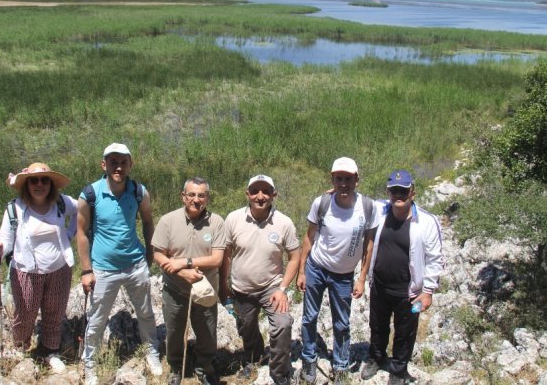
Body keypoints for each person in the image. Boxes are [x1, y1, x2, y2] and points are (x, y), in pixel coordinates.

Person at [76, 143, 161, 385]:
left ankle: (152, 353)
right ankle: (90, 363)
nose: (119, 167)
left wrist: (149, 253)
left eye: (123, 162)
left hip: (135, 264)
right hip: (103, 268)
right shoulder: (89, 195)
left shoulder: (138, 192)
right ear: (104, 165)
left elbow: (147, 222)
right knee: (97, 318)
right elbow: (81, 233)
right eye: (113, 162)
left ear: (130, 164)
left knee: (145, 313)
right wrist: (86, 270)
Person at [296, 157, 379, 384]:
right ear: (332, 180)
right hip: (317, 268)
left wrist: (362, 278)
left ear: (357, 180)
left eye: (348, 179)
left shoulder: (369, 207)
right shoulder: (321, 203)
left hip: (344, 275)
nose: (344, 184)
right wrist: (302, 271)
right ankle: (309, 361)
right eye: (339, 179)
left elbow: (369, 244)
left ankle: (341, 367)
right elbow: (309, 237)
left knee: (342, 323)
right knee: (309, 318)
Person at [0, 162, 77, 373]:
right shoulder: (15, 208)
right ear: (26, 184)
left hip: (59, 268)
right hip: (26, 271)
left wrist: (69, 234)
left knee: (55, 312)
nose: (40, 184)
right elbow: (6, 239)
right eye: (34, 180)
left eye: (45, 180)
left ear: (51, 183)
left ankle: (50, 351)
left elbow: (81, 210)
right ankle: (21, 346)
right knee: (25, 313)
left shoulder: (62, 203)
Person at [361, 169, 443, 384]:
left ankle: (398, 369)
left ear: (412, 193)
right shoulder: (380, 210)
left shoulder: (426, 222)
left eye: (403, 191)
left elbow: (435, 259)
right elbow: (357, 202)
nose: (398, 195)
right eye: (394, 190)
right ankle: (377, 358)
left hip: (410, 291)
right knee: (377, 325)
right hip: (379, 285)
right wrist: (338, 192)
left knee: (405, 332)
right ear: (388, 192)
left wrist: (427, 292)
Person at [219, 174, 300, 385]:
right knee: (247, 328)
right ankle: (254, 359)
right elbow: (226, 254)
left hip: (272, 288)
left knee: (283, 324)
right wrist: (223, 285)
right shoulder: (234, 219)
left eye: (266, 191)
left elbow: (295, 257)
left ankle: (279, 371)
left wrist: (282, 289)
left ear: (274, 195)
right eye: (255, 191)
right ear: (247, 194)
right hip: (242, 289)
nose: (260, 196)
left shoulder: (284, 223)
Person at [151, 177, 225, 385]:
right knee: (174, 330)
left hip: (205, 289)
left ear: (207, 198)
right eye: (191, 194)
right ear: (183, 197)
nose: (196, 199)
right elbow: (158, 254)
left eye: (201, 195)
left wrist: (184, 262)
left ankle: (204, 366)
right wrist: (181, 273)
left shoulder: (217, 222)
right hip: (175, 288)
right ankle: (176, 367)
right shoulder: (168, 220)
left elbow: (217, 259)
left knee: (207, 331)